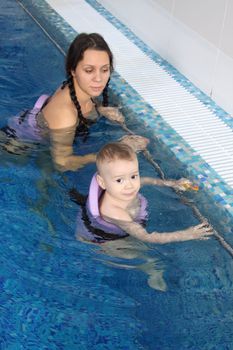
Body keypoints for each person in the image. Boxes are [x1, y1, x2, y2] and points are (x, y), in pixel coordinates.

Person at [1, 33, 143, 170]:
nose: (98, 78)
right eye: (89, 70)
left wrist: (101, 109)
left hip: (23, 128)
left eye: (104, 70)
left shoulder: (80, 88)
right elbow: (62, 163)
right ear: (73, 71)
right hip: (14, 149)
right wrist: (117, 150)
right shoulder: (66, 114)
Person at [74, 142, 213, 244]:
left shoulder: (124, 188)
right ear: (102, 182)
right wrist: (186, 234)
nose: (130, 185)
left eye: (133, 176)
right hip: (104, 238)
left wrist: (171, 183)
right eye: (119, 180)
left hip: (122, 219)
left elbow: (146, 180)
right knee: (137, 254)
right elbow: (148, 237)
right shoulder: (115, 212)